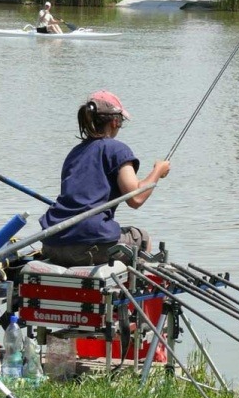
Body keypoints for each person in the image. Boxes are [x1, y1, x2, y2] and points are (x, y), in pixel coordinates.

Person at [39, 90, 170, 267]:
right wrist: (158, 171)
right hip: (90, 244)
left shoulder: (74, 153)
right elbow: (136, 198)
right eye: (121, 121)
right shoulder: (117, 149)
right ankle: (128, 288)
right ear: (115, 121)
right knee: (142, 238)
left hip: (51, 242)